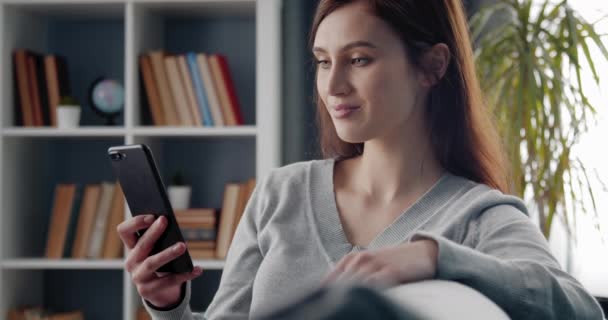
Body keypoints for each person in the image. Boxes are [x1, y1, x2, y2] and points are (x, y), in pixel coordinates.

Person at [117, 0, 605, 319]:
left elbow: (581, 308)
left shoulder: (478, 215)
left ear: (432, 67)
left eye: (359, 59)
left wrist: (432, 258)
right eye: (324, 61)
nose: (332, 87)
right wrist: (170, 306)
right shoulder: (279, 194)